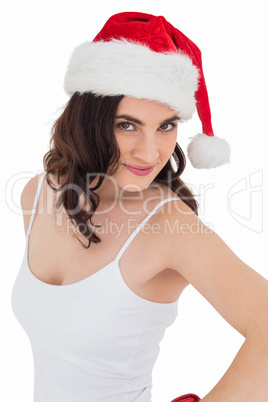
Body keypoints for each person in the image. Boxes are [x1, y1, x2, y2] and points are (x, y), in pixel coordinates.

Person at [11, 11, 268, 402]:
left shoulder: (168, 226)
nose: (150, 153)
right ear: (89, 118)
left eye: (166, 125)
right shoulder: (37, 193)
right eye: (127, 124)